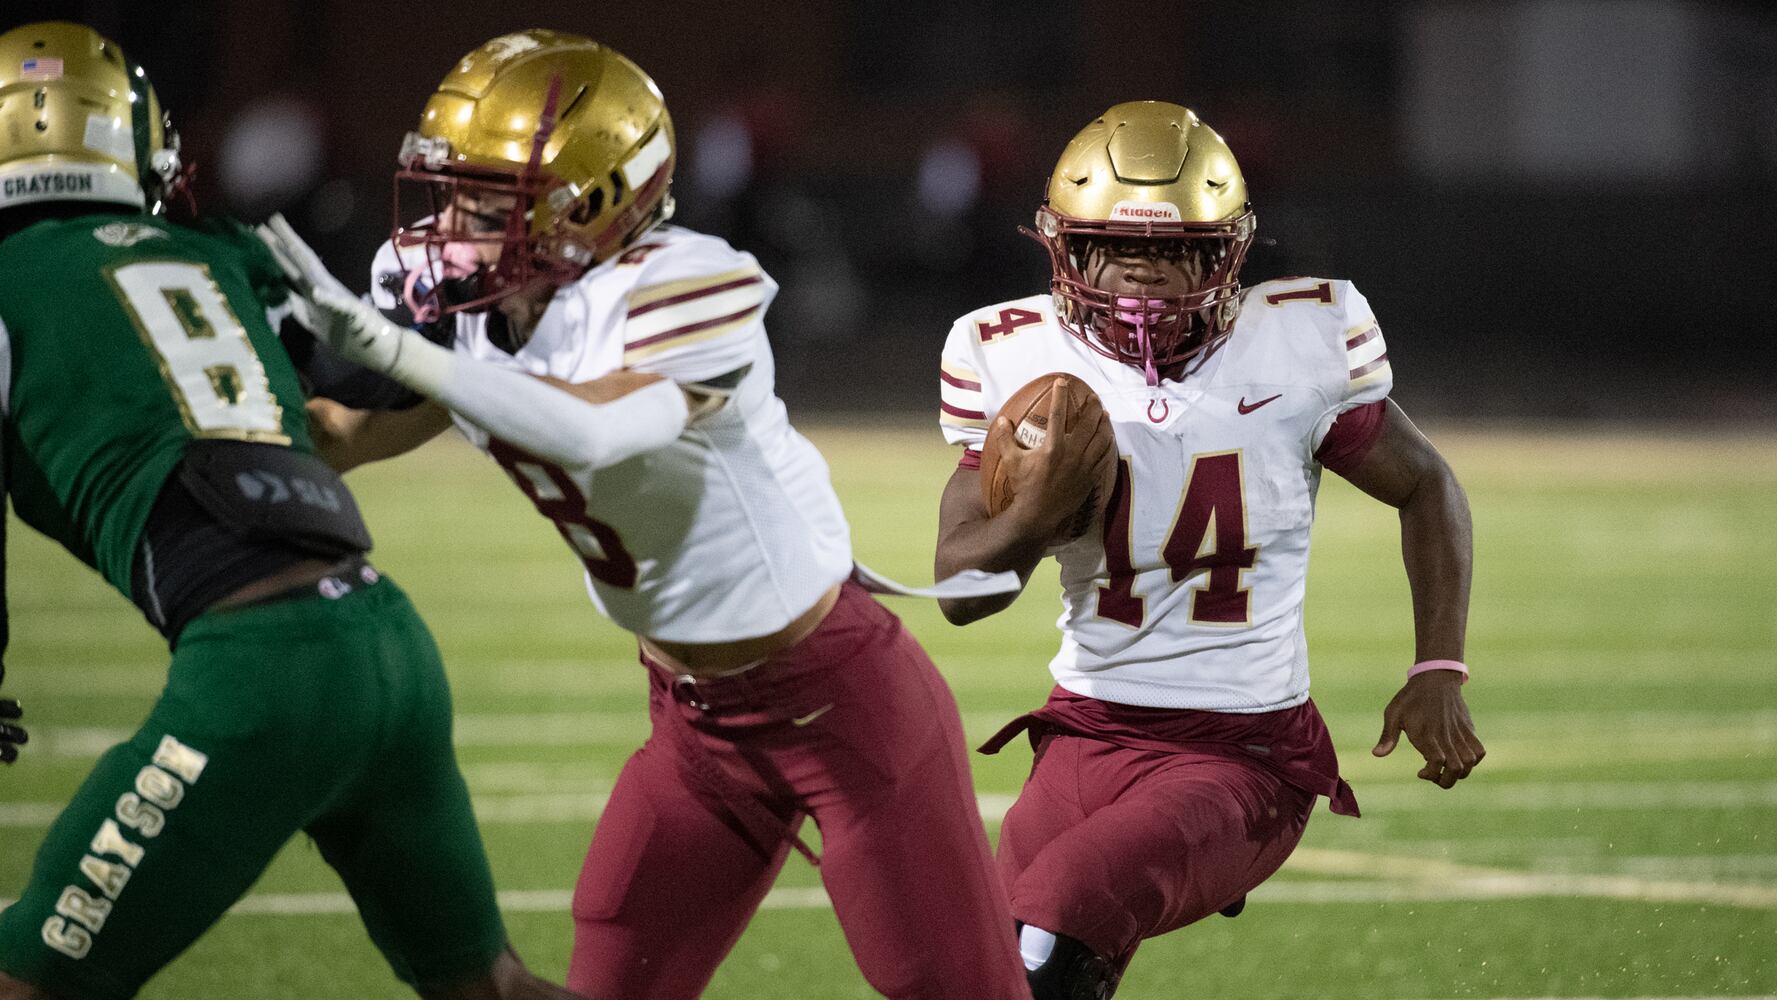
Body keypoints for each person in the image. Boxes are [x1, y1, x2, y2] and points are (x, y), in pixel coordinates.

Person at [260, 29, 1030, 1000]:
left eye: (488, 195)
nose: (454, 219)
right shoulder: (472, 304)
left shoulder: (684, 282)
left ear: (590, 200)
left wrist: (402, 352)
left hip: (842, 705)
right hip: (692, 725)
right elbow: (344, 432)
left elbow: (592, 431)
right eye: (452, 187)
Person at [0, 23, 583, 1000]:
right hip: (389, 645)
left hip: (260, 674)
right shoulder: (212, 247)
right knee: (492, 988)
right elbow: (370, 380)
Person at [932, 101, 1486, 999]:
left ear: (1227, 252)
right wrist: (1029, 517)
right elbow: (960, 595)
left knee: (1060, 921)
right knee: (990, 970)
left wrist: (1439, 666)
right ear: (1064, 251)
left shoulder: (1298, 342)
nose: (1142, 273)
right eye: (1112, 245)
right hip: (1081, 734)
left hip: (1243, 752)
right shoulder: (1009, 354)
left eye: (1176, 248)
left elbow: (1426, 485)